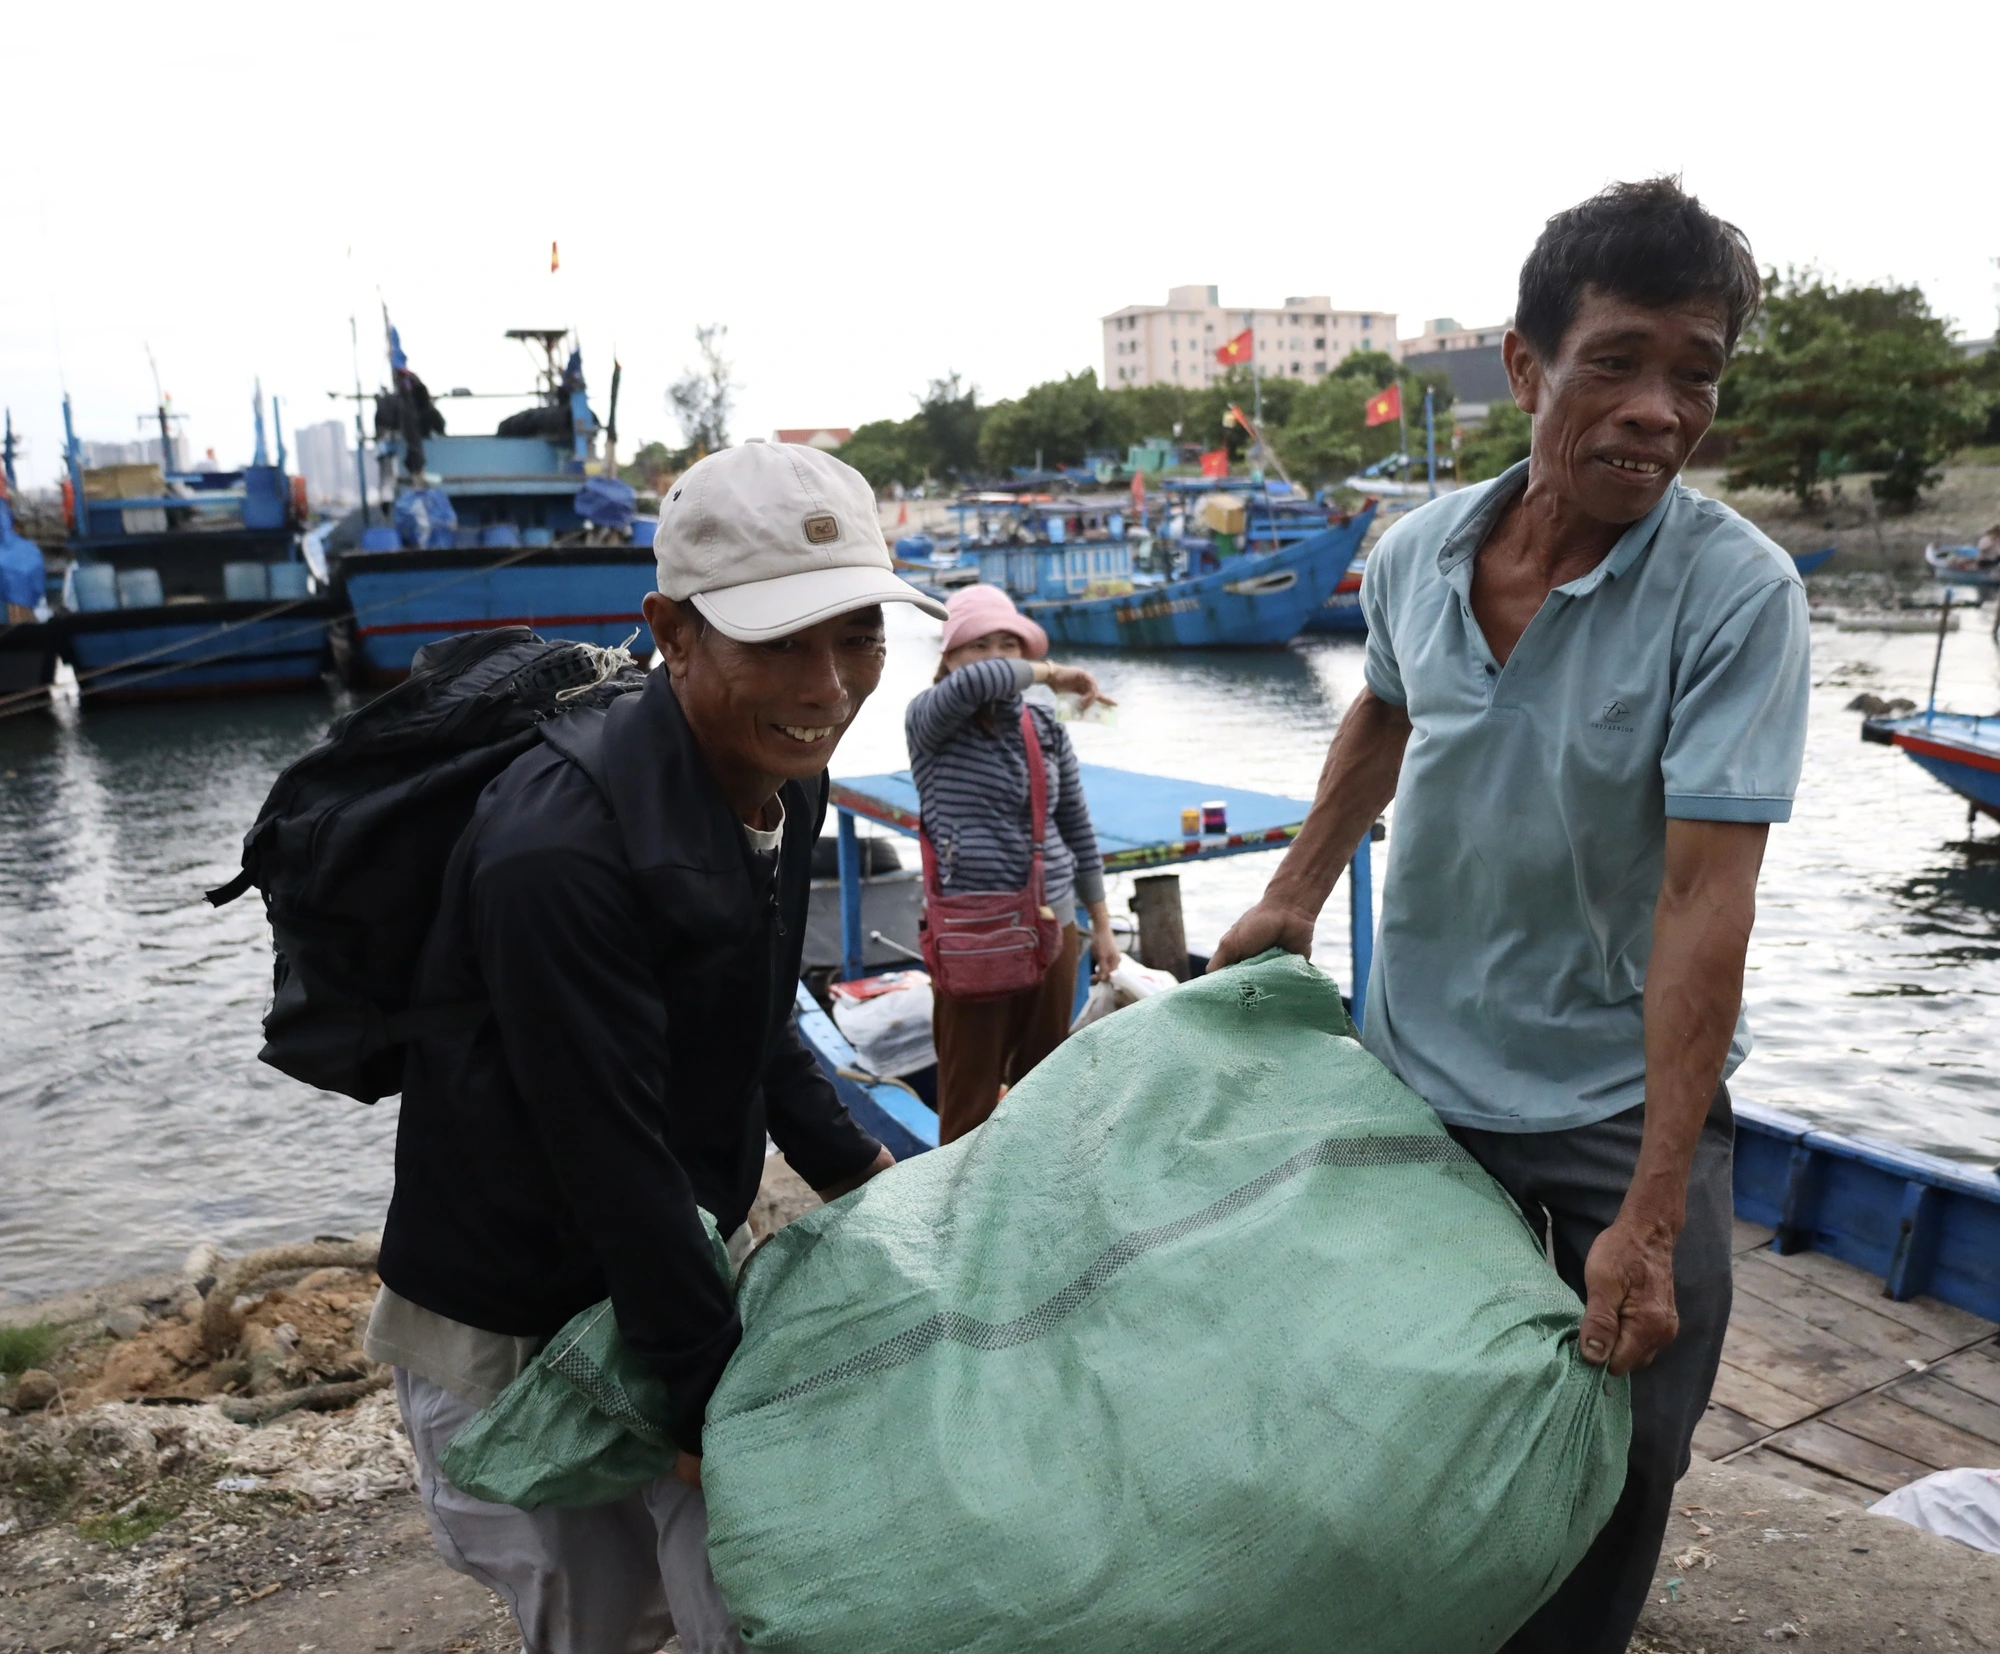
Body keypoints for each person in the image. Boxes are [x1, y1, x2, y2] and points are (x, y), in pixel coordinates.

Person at [1209, 178, 1808, 1654]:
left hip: (1619, 1094)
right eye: (1619, 362)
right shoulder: (1414, 555)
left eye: (1696, 376)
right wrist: (1292, 892)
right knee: (1393, 1403)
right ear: (1528, 367)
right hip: (1422, 1070)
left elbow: (1703, 899)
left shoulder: (1739, 595)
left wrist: (1652, 1214)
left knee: (1633, 1432)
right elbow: (1383, 712)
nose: (1661, 410)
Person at [364, 442, 948, 1654]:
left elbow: (758, 1013)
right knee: (601, 1624)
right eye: (780, 641)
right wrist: (701, 1398)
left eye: (856, 637)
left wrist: (869, 1183)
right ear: (672, 632)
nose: (829, 684)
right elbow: (606, 1150)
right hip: (518, 1306)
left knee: (755, 1595)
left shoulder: (786, 773)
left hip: (671, 1252)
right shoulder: (555, 853)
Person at [906, 584, 1121, 1142]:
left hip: (1053, 925)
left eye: (1009, 643)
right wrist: (1057, 674)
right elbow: (980, 683)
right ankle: (956, 1214)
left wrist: (1101, 926)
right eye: (978, 644)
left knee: (1043, 1087)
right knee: (970, 1096)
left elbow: (1077, 826)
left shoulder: (1043, 727)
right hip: (975, 928)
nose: (997, 657)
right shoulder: (931, 719)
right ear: (948, 656)